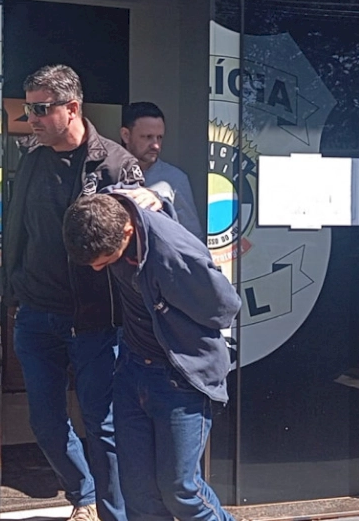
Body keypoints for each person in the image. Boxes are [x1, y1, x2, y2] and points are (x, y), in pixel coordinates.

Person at [0, 64, 158, 521]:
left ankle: (112, 514)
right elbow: (18, 227)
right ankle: (82, 494)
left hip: (95, 321)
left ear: (72, 108)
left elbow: (136, 241)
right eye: (29, 109)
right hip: (36, 314)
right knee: (45, 423)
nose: (31, 118)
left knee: (102, 425)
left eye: (41, 109)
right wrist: (13, 289)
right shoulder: (31, 158)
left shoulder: (115, 164)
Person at [62, 191, 241, 521]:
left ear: (127, 232)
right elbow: (126, 190)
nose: (99, 268)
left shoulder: (174, 254)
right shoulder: (108, 209)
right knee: (139, 493)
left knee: (181, 491)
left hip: (180, 377)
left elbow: (224, 308)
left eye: (105, 259)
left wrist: (171, 313)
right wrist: (156, 193)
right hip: (132, 369)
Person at [120, 102, 204, 241]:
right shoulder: (109, 172)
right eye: (147, 137)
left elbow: (192, 236)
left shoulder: (175, 180)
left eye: (159, 137)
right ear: (126, 135)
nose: (156, 145)